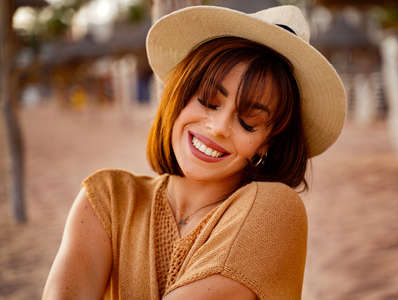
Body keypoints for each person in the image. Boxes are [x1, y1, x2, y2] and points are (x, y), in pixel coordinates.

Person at [42, 5, 346, 300]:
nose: (218, 127)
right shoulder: (106, 198)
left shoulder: (276, 208)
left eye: (249, 121)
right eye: (208, 101)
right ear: (180, 97)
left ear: (268, 142)